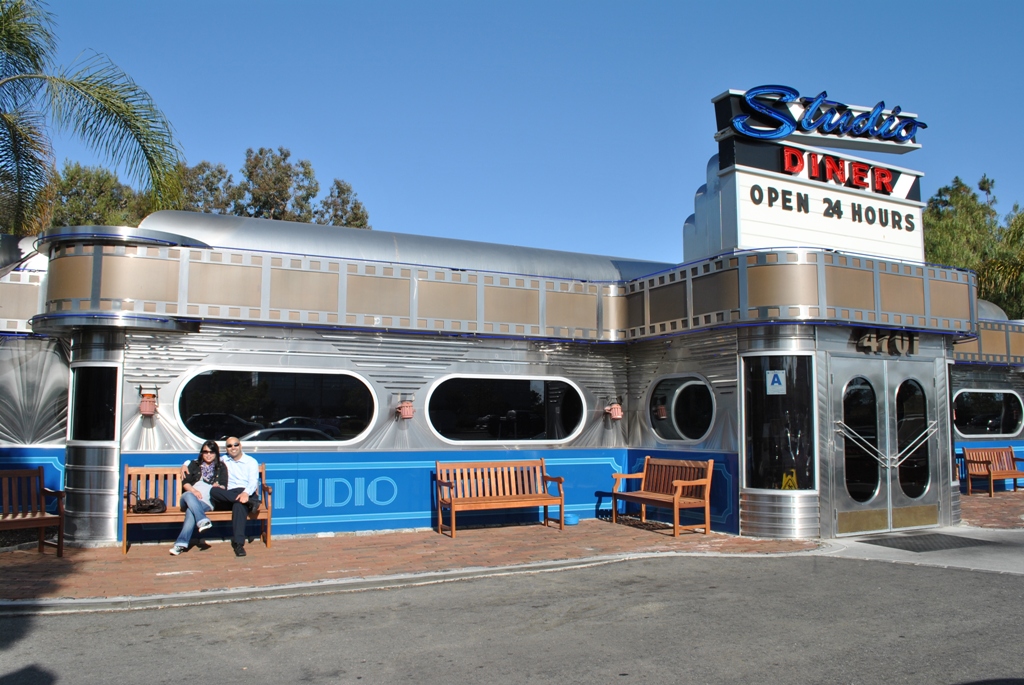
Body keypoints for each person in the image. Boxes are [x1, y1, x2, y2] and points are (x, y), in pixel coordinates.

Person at [170, 440, 228, 556]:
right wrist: (194, 491)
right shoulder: (194, 464)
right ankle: (202, 519)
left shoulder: (221, 467)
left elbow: (224, 485)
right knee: (188, 495)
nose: (208, 454)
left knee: (191, 512)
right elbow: (185, 483)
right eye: (205, 452)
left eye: (212, 452)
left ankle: (180, 544)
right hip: (188, 498)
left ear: (216, 453)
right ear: (202, 453)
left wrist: (218, 486)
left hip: (206, 502)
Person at [208, 436, 261, 557]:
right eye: (229, 446)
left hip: (245, 492)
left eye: (235, 444)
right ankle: (251, 503)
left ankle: (238, 544)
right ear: (226, 449)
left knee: (238, 505)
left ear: (240, 446)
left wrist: (245, 493)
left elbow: (253, 482)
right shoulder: (223, 460)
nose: (233, 447)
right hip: (229, 495)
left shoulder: (251, 461)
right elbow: (204, 460)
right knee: (214, 491)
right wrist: (186, 463)